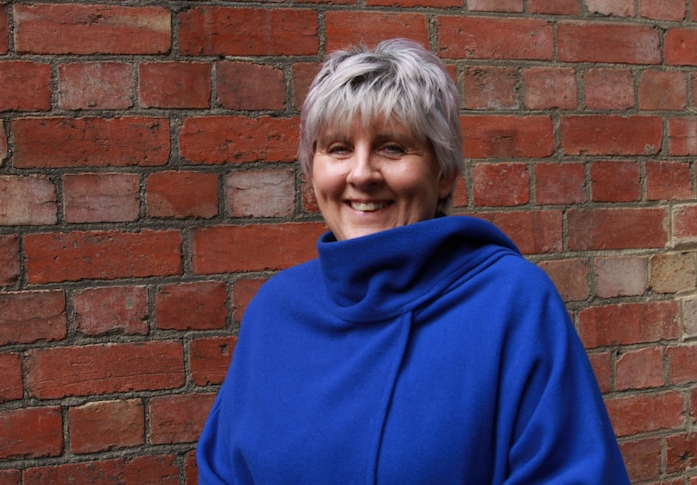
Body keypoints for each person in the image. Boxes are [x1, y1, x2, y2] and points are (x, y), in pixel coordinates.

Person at [196, 38, 630, 484]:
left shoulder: (511, 303)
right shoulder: (275, 310)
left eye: (392, 148)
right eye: (339, 149)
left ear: (444, 175)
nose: (361, 174)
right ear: (312, 170)